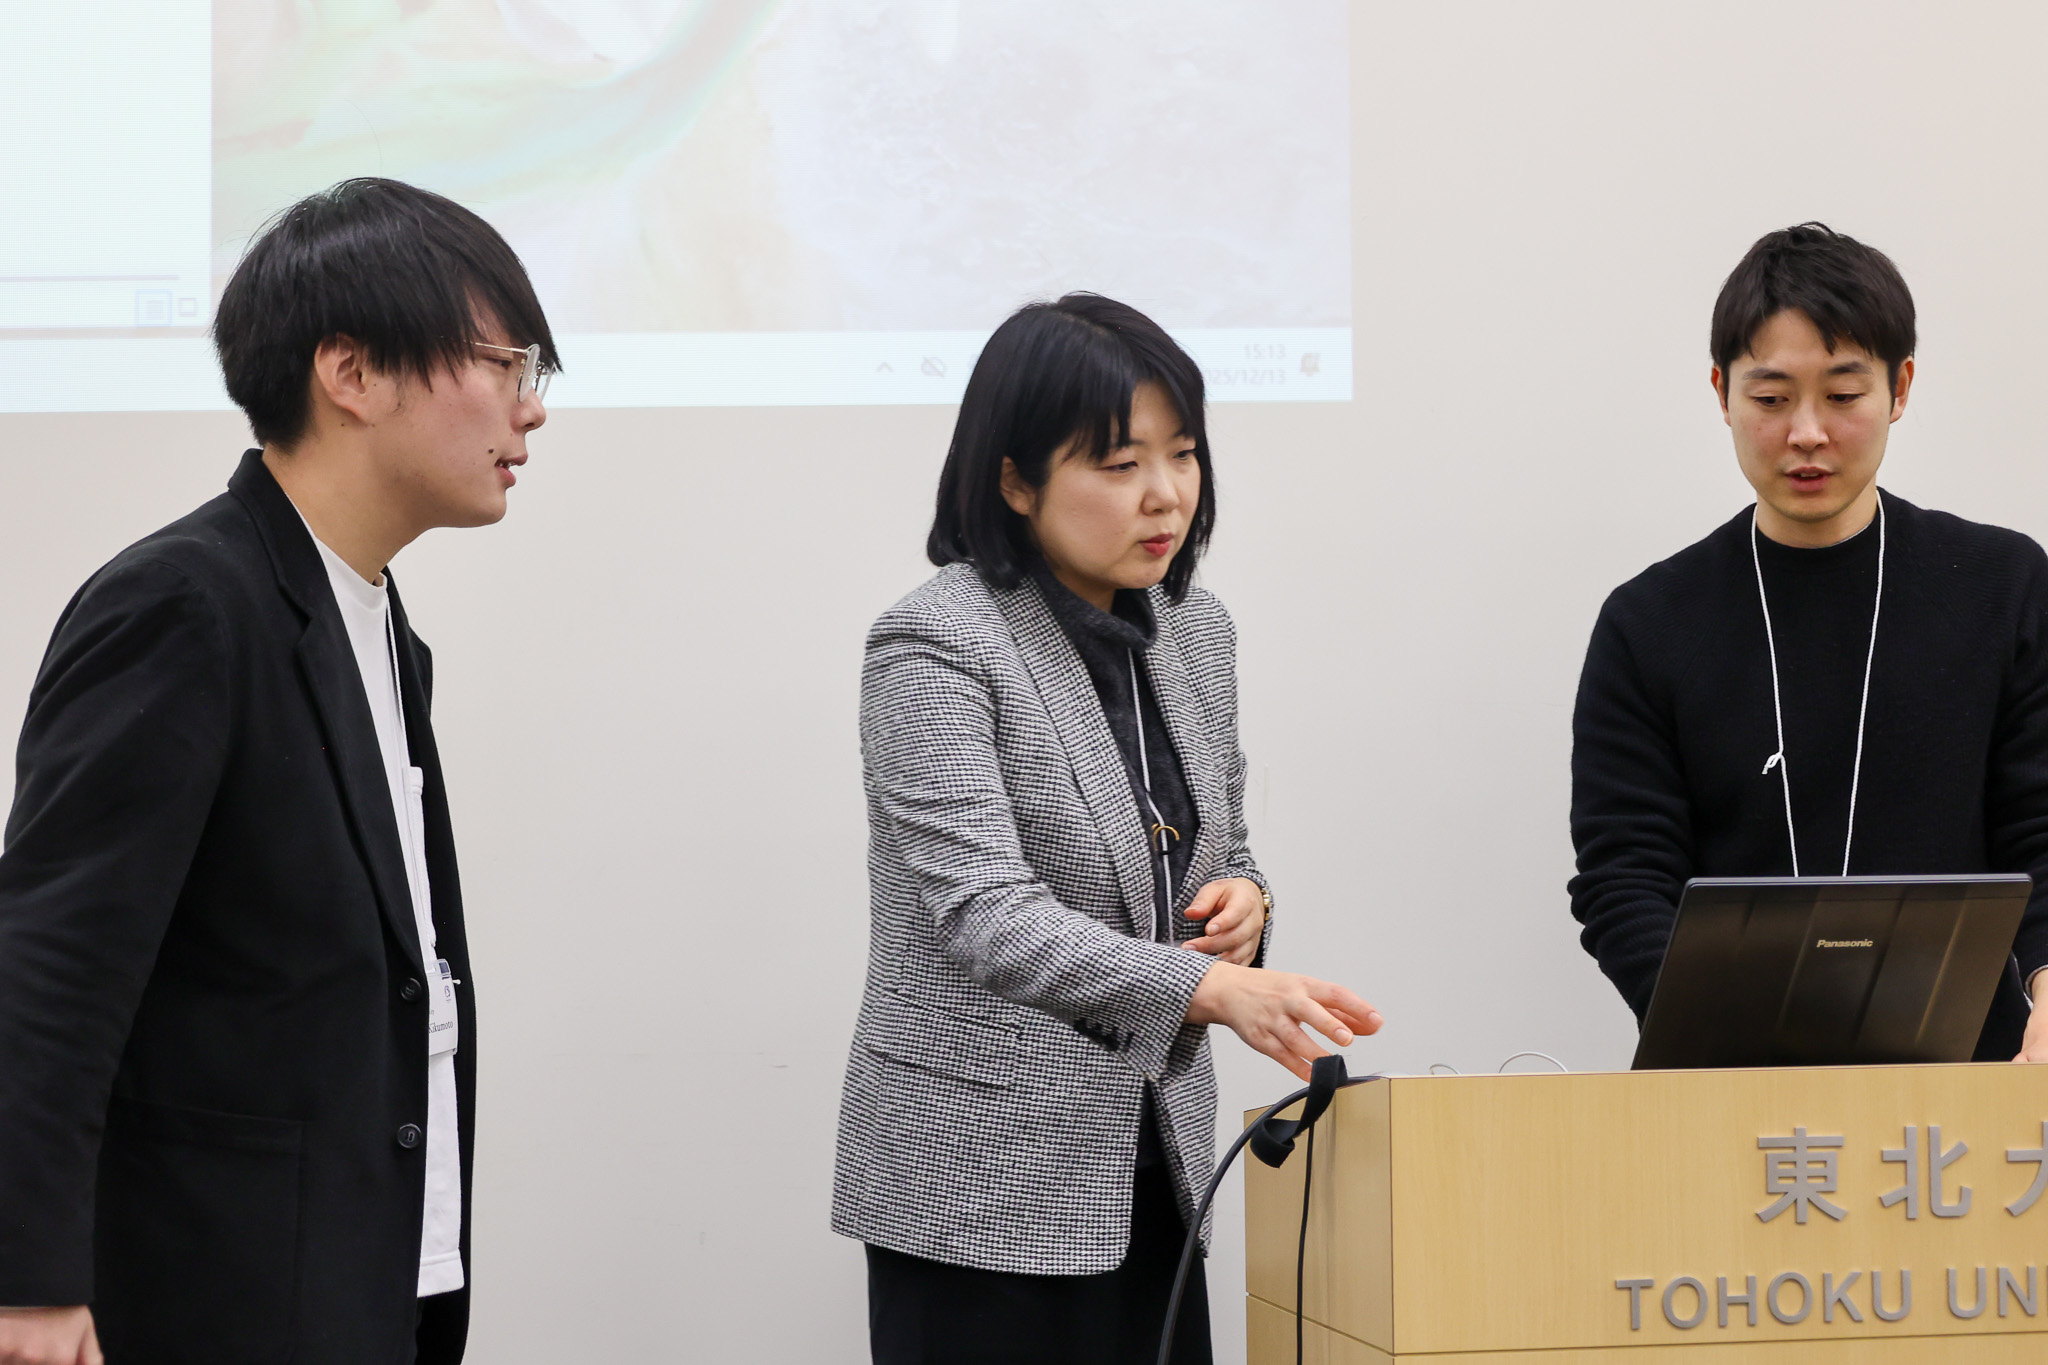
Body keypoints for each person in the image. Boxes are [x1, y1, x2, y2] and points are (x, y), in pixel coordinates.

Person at [0, 178, 556, 1365]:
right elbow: (50, 965)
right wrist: (27, 1281)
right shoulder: (185, 606)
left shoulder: (382, 629)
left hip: (370, 1278)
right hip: (219, 1293)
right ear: (350, 372)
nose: (531, 409)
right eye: (504, 363)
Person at [831, 293, 1380, 1364]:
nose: (1165, 492)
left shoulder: (1193, 631)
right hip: (979, 1184)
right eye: (1121, 462)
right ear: (1015, 479)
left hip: (1154, 1163)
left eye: (1183, 453)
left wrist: (1248, 903)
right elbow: (985, 915)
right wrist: (1211, 990)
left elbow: (1215, 843)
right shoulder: (933, 643)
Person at [1569, 222, 2048, 1064]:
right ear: (1721, 393)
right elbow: (1624, 876)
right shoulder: (1648, 621)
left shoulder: (2003, 586)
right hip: (1721, 1074)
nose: (1807, 433)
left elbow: (2040, 832)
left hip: (1973, 1081)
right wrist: (1724, 1030)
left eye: (1843, 394)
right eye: (1771, 399)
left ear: (1900, 388)